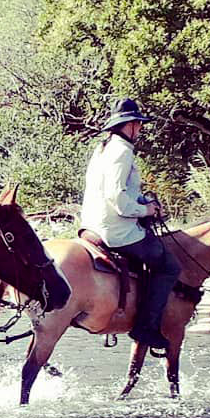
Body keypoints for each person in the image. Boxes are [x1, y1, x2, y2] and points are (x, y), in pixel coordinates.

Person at [79, 98, 180, 351]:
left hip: (91, 224)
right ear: (131, 125)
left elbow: (118, 191)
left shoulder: (102, 148)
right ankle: (145, 327)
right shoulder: (123, 151)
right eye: (139, 124)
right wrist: (145, 209)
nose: (141, 129)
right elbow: (117, 198)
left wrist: (143, 201)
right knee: (168, 266)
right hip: (115, 230)